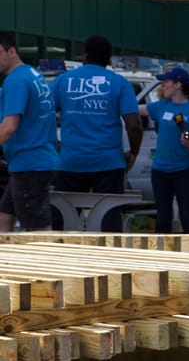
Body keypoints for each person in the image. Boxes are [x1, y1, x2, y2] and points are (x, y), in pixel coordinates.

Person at [49, 35, 143, 232]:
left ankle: (63, 257)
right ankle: (108, 260)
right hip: (108, 163)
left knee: (64, 223)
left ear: (84, 55)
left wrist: (53, 145)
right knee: (108, 223)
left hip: (71, 162)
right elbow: (134, 125)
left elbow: (42, 115)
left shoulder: (62, 81)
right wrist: (133, 152)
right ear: (109, 59)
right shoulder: (119, 83)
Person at [0, 30, 59, 232]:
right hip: (34, 159)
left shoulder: (15, 81)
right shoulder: (33, 74)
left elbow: (8, 127)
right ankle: (6, 261)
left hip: (29, 162)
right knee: (4, 215)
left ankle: (44, 263)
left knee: (38, 231)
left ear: (12, 51)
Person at [141, 66, 189, 233]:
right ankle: (162, 256)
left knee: (186, 216)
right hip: (160, 170)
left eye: (165, 82)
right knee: (163, 217)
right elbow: (135, 109)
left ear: (178, 85)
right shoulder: (161, 106)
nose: (162, 86)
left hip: (184, 170)